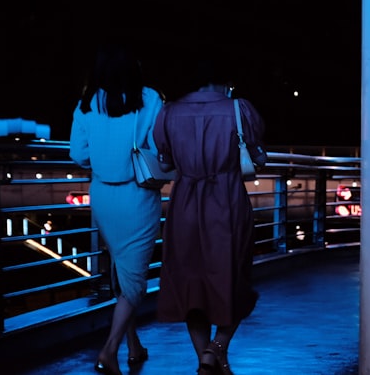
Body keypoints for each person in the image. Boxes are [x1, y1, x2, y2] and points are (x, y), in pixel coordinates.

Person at [152, 56, 267, 375]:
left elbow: (163, 164)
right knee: (235, 278)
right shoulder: (238, 109)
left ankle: (206, 356)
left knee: (191, 282)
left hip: (186, 202)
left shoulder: (169, 112)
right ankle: (217, 349)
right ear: (223, 79)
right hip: (227, 200)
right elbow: (259, 157)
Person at [69, 44, 164, 375]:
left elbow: (78, 155)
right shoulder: (150, 99)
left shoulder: (86, 104)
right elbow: (159, 147)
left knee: (123, 272)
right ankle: (108, 351)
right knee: (135, 279)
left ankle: (133, 345)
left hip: (104, 197)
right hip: (137, 195)